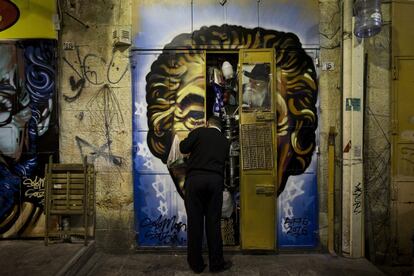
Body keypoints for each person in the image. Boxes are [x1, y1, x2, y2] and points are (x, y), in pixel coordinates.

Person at [179, 116, 232, 273]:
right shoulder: (225, 141)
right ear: (220, 127)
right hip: (215, 181)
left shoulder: (200, 132)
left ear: (208, 124)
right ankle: (216, 264)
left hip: (195, 180)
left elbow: (183, 147)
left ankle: (196, 264)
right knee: (213, 223)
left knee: (195, 223)